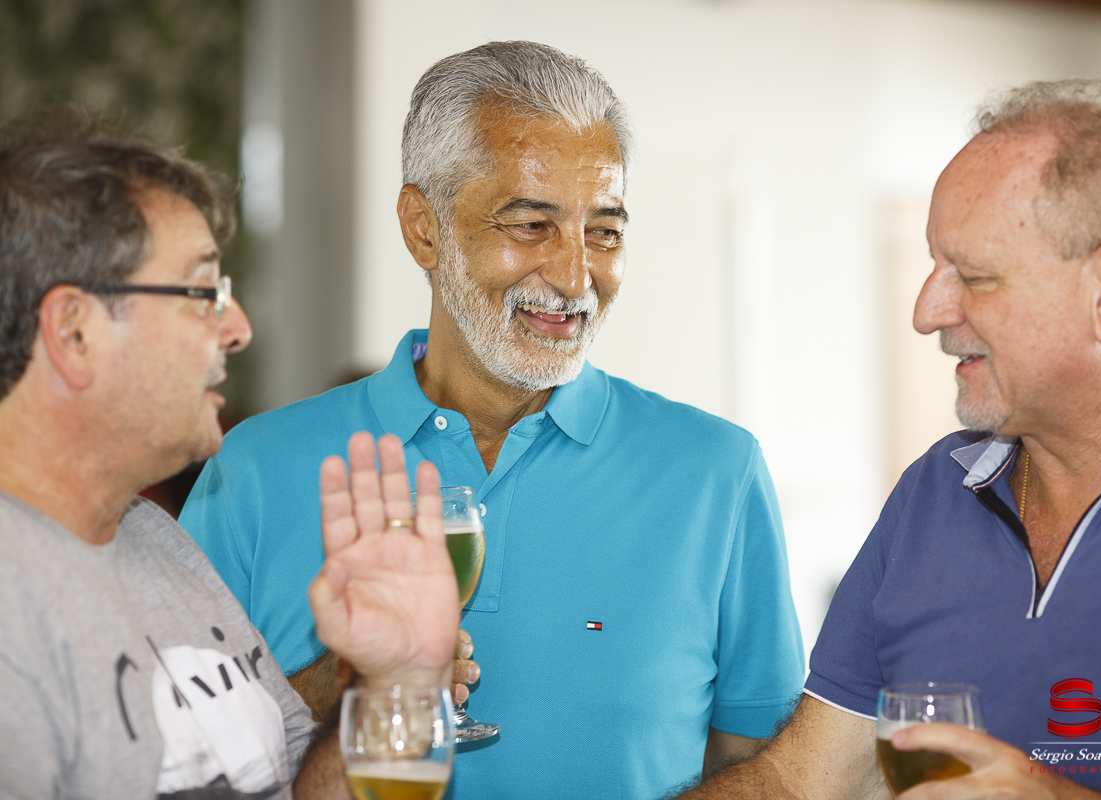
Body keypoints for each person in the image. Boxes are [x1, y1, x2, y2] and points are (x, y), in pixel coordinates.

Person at [180, 40, 804, 800]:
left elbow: (763, 775)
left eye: (604, 230)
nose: (577, 277)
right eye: (531, 224)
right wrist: (356, 682)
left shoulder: (718, 472)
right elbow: (177, 761)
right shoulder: (251, 472)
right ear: (423, 228)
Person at [676, 78, 1101, 800]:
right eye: (932, 264)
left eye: (975, 276)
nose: (927, 311)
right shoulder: (934, 490)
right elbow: (796, 783)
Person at [0, 108, 461, 798]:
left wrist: (389, 682)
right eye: (201, 291)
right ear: (74, 333)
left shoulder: (154, 538)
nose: (238, 328)